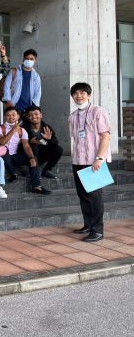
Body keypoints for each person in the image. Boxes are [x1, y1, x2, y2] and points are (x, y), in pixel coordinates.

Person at [68, 82, 111, 242]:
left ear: (89, 95)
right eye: (75, 93)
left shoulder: (98, 111)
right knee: (83, 195)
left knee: (94, 196)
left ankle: (97, 230)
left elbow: (106, 136)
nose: (79, 96)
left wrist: (99, 158)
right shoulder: (72, 116)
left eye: (82, 93)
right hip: (78, 159)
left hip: (94, 160)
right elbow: (76, 139)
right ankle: (88, 224)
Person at [0, 107, 51, 195]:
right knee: (5, 153)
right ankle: (13, 173)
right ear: (5, 117)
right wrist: (13, 130)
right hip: (3, 156)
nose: (11, 117)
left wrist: (31, 157)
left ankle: (36, 186)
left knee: (33, 159)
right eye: (8, 115)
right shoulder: (0, 128)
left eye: (13, 115)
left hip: (14, 156)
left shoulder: (22, 130)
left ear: (18, 116)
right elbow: (1, 142)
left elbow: (26, 145)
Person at [24, 105, 64, 179]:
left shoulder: (46, 127)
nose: (34, 116)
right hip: (29, 156)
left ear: (41, 115)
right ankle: (34, 171)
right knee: (34, 145)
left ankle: (46, 170)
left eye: (36, 114)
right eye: (31, 115)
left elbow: (55, 143)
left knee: (58, 149)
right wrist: (30, 142)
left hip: (43, 154)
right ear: (27, 117)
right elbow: (18, 146)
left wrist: (49, 139)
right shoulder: (24, 129)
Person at [2, 49, 42, 114]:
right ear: (23, 59)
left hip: (29, 109)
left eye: (31, 59)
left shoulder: (36, 76)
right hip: (14, 106)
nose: (29, 60)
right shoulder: (14, 71)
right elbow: (6, 86)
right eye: (27, 58)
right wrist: (8, 100)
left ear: (35, 60)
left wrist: (35, 107)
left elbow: (38, 92)